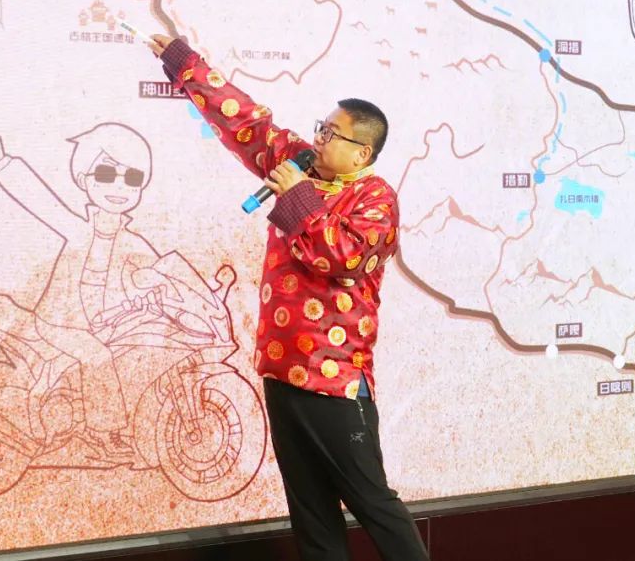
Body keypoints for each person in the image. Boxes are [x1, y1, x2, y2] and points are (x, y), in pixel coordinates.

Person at [150, 33, 429, 561]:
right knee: (311, 513)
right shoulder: (299, 163)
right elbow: (247, 123)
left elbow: (343, 257)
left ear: (362, 152)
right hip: (282, 371)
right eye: (321, 127)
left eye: (332, 134)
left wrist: (296, 194)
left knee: (372, 501)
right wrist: (185, 65)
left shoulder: (375, 198)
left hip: (334, 380)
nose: (318, 139)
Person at [0, 123, 160, 459]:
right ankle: (101, 434)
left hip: (99, 323)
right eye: (106, 173)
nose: (120, 185)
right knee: (98, 356)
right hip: (60, 322)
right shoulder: (80, 231)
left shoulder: (131, 241)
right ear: (85, 179)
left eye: (132, 177)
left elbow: (161, 270)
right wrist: (1, 163)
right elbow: (40, 201)